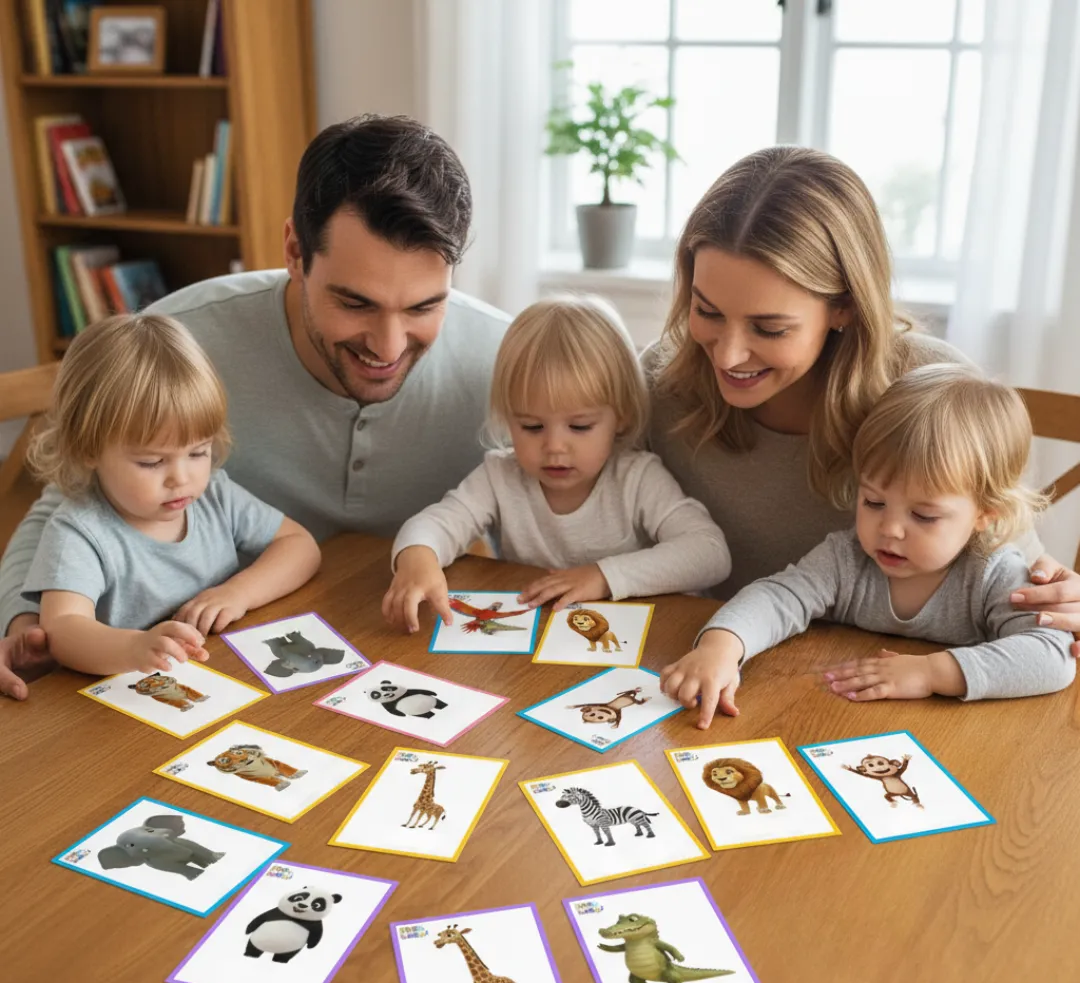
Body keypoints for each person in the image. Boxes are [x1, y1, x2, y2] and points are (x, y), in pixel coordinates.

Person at [0, 114, 510, 697]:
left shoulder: (505, 359)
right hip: (224, 665)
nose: (388, 347)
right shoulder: (173, 347)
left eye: (423, 307)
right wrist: (23, 624)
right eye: (355, 302)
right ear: (295, 251)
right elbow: (67, 502)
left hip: (405, 653)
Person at [645, 146, 1080, 641]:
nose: (726, 356)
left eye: (769, 329)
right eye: (708, 311)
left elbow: (1014, 569)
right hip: (726, 661)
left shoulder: (936, 391)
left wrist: (1055, 601)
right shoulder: (662, 384)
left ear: (844, 308)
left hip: (899, 675)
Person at [661, 364, 1076, 726]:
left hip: (958, 741)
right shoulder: (845, 559)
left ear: (986, 514)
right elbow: (778, 597)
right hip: (839, 721)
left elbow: (1051, 657)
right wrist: (721, 646)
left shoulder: (995, 572)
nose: (889, 529)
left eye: (923, 516)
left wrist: (931, 673)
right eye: (874, 502)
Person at [383, 295, 731, 631]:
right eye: (531, 426)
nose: (554, 447)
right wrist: (418, 557)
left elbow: (710, 554)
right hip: (540, 644)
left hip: (632, 642)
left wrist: (603, 576)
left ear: (621, 417)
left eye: (580, 426)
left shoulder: (637, 478)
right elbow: (436, 524)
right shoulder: (500, 476)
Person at [19, 314, 321, 676]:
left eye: (198, 452)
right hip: (115, 704)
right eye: (151, 461)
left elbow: (300, 545)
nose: (181, 478)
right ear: (89, 449)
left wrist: (237, 593)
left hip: (216, 672)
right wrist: (133, 647)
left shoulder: (215, 496)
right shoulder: (79, 532)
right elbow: (62, 630)